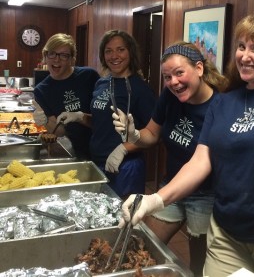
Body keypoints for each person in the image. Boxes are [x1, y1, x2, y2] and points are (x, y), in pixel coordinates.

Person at [115, 13, 254, 276]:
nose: (245, 56)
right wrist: (155, 200)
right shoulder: (224, 103)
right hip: (226, 235)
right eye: (241, 46)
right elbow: (201, 161)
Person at [112, 41, 227, 276]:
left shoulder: (221, 105)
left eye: (179, 73)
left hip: (206, 195)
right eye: (167, 77)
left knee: (199, 262)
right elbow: (152, 135)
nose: (173, 82)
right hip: (171, 185)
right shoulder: (169, 96)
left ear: (199, 68)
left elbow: (204, 161)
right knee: (145, 244)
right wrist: (132, 135)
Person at [57, 30, 156, 199]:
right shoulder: (102, 83)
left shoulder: (140, 89)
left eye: (120, 49)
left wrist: (123, 149)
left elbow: (154, 135)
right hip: (97, 160)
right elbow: (100, 122)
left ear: (130, 52)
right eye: (108, 51)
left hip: (126, 166)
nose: (114, 55)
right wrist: (80, 116)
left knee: (124, 217)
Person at [33, 33, 100, 160]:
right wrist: (46, 122)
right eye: (52, 53)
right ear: (45, 56)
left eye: (64, 55)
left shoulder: (89, 76)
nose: (56, 60)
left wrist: (80, 117)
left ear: (72, 59)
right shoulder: (41, 90)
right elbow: (60, 132)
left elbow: (105, 117)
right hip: (76, 152)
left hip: (102, 146)